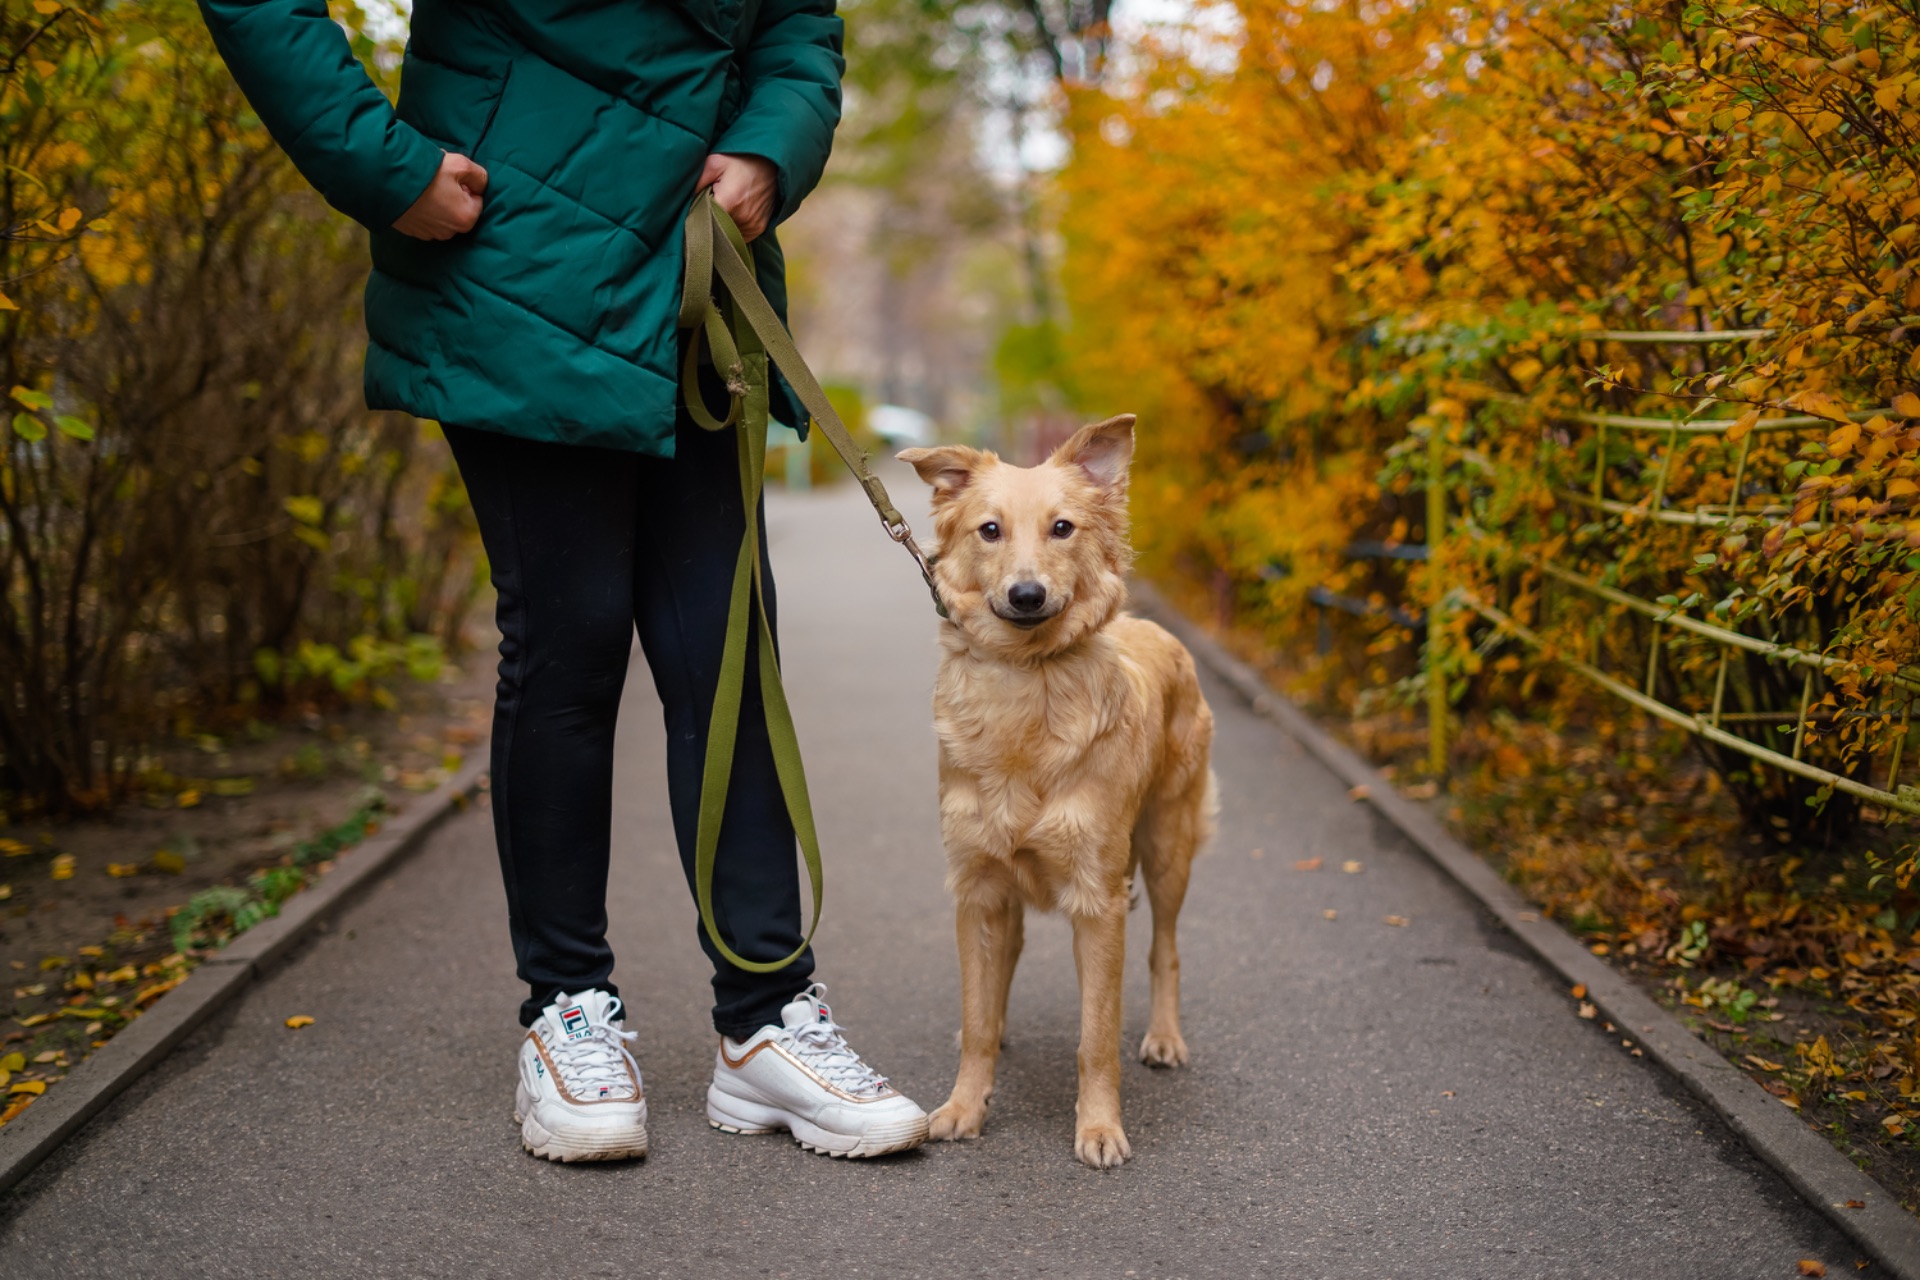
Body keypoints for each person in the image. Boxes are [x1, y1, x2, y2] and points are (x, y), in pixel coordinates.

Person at [196, 0, 928, 1163]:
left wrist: (769, 151)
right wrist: (380, 165)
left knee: (729, 646)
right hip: (515, 256)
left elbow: (797, 23)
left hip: (697, 266)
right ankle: (566, 1011)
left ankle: (765, 1018)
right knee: (571, 644)